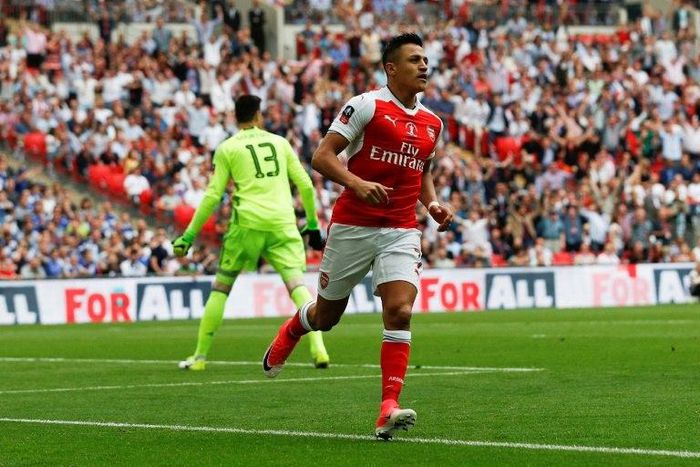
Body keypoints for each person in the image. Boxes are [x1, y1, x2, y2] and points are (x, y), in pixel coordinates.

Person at [261, 33, 453, 440]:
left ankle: (388, 407)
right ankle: (295, 328)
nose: (424, 66)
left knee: (400, 311)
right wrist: (356, 182)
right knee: (326, 319)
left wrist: (432, 205)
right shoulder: (366, 105)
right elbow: (322, 156)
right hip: (353, 226)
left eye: (425, 60)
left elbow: (424, 173)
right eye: (414, 60)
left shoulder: (433, 123)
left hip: (401, 229)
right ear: (391, 68)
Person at [173, 95, 330, 371]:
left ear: (236, 118)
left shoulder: (227, 148)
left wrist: (188, 236)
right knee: (298, 287)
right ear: (259, 116)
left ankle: (199, 358)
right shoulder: (280, 143)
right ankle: (319, 350)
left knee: (221, 287)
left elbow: (212, 195)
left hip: (246, 225)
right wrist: (313, 225)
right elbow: (305, 184)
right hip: (283, 223)